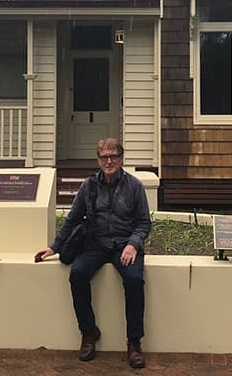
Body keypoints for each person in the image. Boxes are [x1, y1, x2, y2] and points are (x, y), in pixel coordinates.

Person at [35, 138, 151, 369]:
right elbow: (73, 219)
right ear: (98, 160)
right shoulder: (88, 186)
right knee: (77, 274)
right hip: (96, 244)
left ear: (121, 158)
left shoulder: (135, 186)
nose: (109, 161)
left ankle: (134, 342)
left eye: (114, 156)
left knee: (135, 280)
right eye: (104, 157)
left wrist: (133, 244)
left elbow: (144, 222)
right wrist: (54, 246)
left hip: (124, 245)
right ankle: (89, 332)